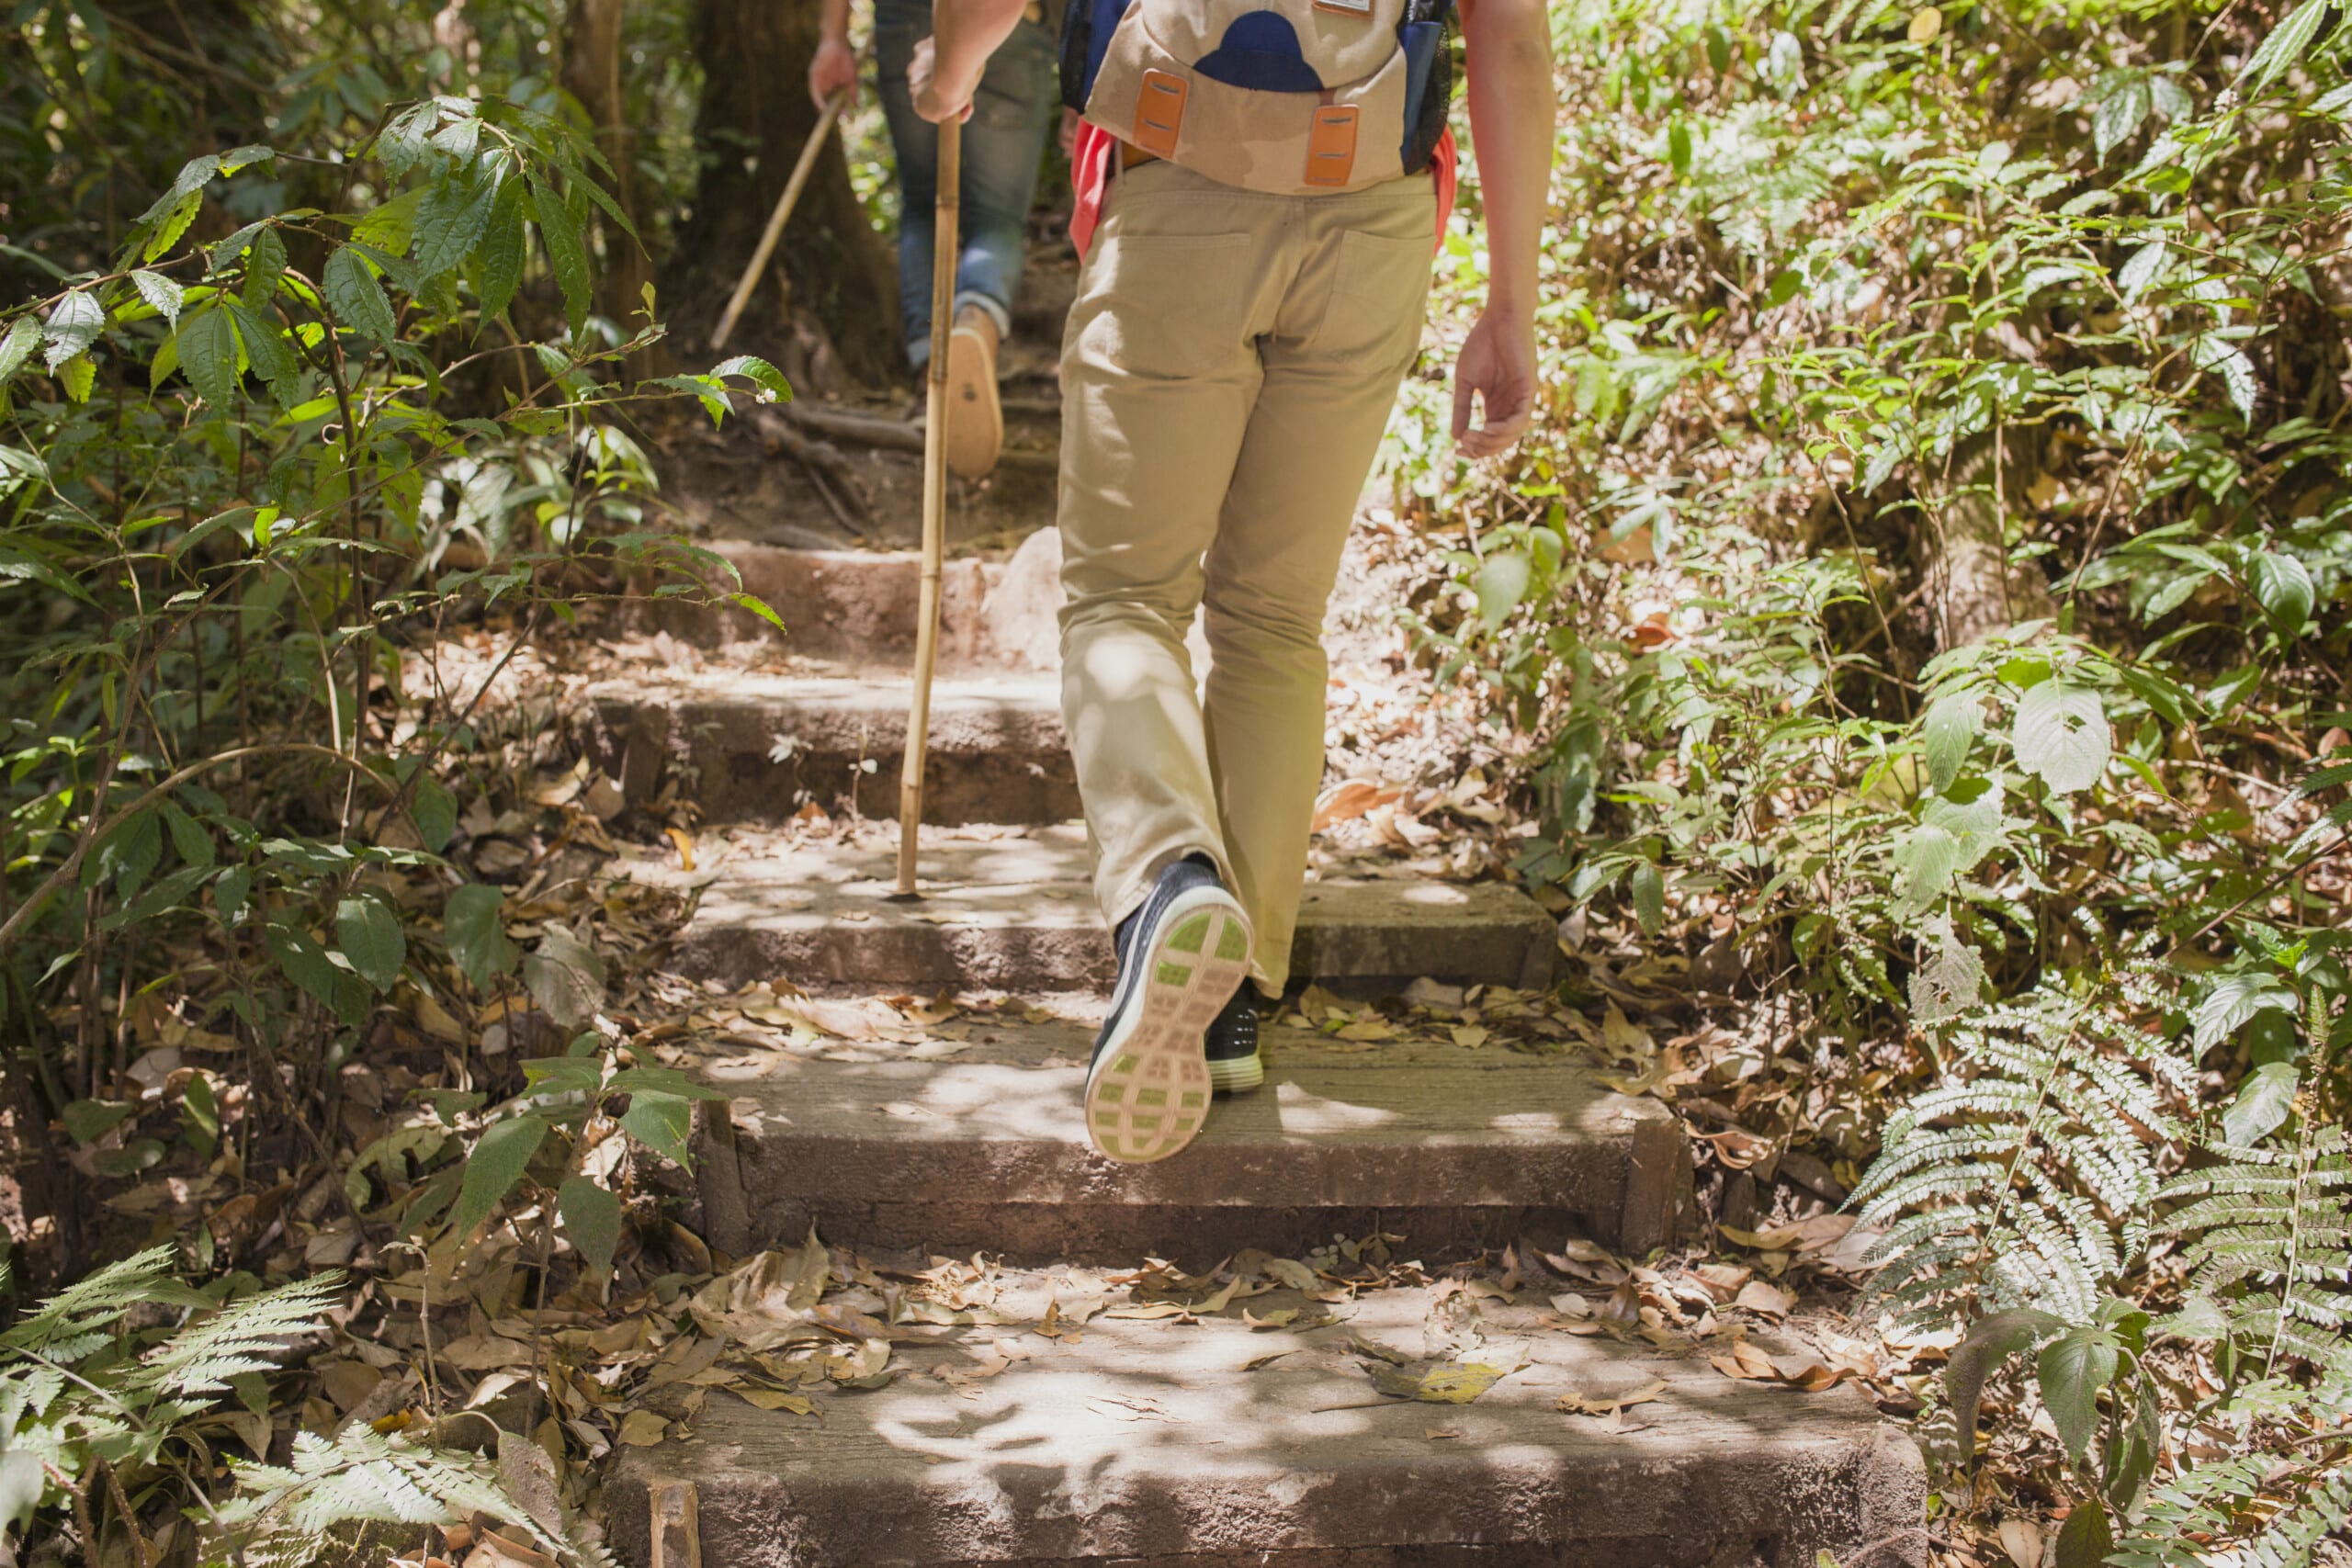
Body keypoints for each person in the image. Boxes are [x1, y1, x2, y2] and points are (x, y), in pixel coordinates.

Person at [913, 0, 1549, 1164]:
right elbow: (1508, 38)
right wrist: (1510, 305)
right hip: (1375, 215)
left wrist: (950, 69)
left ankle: (1167, 884)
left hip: (1181, 198)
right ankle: (1231, 1004)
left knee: (1122, 595)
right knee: (1272, 617)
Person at [809, 0, 1059, 478]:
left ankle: (934, 373)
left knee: (924, 206)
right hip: (1010, 23)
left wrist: (833, 37)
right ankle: (975, 324)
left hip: (905, 18)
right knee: (997, 218)